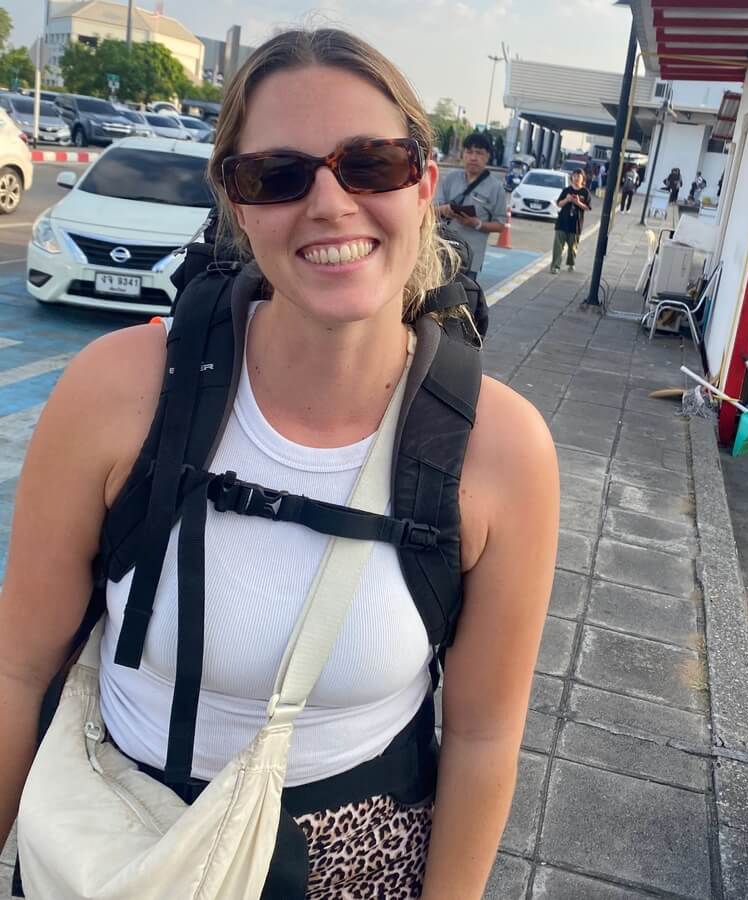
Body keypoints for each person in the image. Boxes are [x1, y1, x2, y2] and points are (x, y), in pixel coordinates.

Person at [0, 27, 559, 899]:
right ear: (236, 201)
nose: (331, 204)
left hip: (353, 865)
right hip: (110, 846)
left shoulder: (501, 450)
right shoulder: (117, 391)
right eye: (279, 175)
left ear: (423, 185)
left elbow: (485, 740)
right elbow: (17, 670)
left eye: (370, 162)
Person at [434, 131, 507, 283]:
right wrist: (445, 209)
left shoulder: (496, 187)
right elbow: (432, 209)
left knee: (463, 302)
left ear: (487, 156)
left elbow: (500, 225)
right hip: (442, 252)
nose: (473, 157)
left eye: (479, 153)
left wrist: (477, 224)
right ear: (463, 154)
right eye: (469, 152)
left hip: (470, 260)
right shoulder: (451, 179)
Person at [550, 168, 591, 274]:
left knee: (572, 248)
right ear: (572, 177)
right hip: (562, 222)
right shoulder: (566, 190)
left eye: (579, 176)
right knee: (558, 247)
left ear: (583, 179)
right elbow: (559, 204)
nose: (576, 178)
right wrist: (567, 200)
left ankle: (571, 263)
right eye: (575, 176)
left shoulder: (585, 192)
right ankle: (555, 266)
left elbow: (587, 208)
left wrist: (578, 202)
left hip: (575, 225)